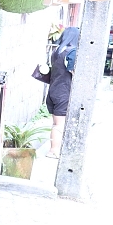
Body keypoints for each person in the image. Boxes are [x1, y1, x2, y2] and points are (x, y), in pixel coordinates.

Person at [46, 26, 79, 159]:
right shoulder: (72, 52)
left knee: (56, 123)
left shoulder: (56, 51)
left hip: (54, 90)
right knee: (60, 125)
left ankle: (54, 149)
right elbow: (73, 72)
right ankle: (53, 151)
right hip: (64, 92)